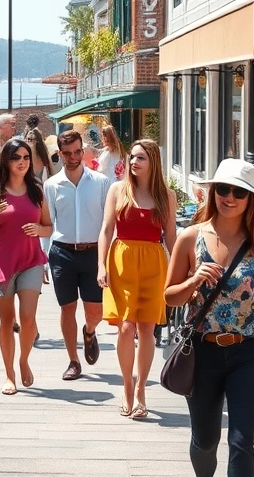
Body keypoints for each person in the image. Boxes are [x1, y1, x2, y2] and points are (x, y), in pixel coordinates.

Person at [164, 158, 254, 477]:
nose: (229, 198)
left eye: (238, 193)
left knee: (242, 440)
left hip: (250, 351)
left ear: (250, 201)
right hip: (203, 351)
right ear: (213, 192)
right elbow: (169, 296)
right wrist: (192, 280)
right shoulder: (191, 237)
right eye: (223, 189)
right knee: (205, 441)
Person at [97, 140, 177, 418]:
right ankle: (127, 386)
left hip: (154, 264)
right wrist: (100, 266)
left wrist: (178, 273)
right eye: (132, 157)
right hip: (122, 262)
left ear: (153, 162)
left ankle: (142, 387)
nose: (134, 162)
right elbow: (106, 230)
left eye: (140, 158)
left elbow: (171, 237)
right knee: (125, 328)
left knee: (146, 329)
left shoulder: (166, 196)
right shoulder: (118, 190)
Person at [0, 139, 51, 395]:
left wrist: (39, 230)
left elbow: (48, 226)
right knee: (7, 320)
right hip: (0, 263)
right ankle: (9, 374)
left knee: (28, 318)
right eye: (16, 157)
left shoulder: (36, 191)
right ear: (6, 161)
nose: (22, 162)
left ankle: (23, 360)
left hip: (31, 260)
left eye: (26, 157)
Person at [43, 130, 112, 380]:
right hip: (62, 253)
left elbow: (108, 223)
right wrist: (43, 260)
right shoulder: (51, 185)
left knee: (96, 312)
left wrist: (107, 258)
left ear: (83, 151)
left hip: (94, 253)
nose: (73, 157)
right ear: (60, 154)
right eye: (68, 153)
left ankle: (90, 332)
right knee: (67, 308)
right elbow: (47, 223)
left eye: (77, 151)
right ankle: (73, 361)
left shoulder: (101, 182)